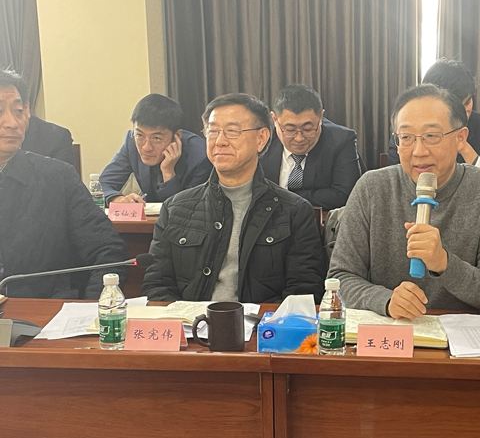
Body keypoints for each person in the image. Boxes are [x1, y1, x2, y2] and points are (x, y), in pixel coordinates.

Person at [328, 83, 480, 318]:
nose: (419, 151)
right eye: (406, 137)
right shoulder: (371, 187)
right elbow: (340, 278)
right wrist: (385, 301)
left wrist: (443, 262)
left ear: (460, 138)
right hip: (393, 329)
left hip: (465, 333)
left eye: (431, 136)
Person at [142, 93, 325, 303]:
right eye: (212, 131)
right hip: (190, 322)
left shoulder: (294, 211)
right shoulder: (174, 208)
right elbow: (157, 286)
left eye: (232, 131)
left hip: (262, 323)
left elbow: (303, 291)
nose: (220, 141)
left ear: (261, 138)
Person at [0, 69, 126, 299]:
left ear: (27, 112)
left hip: (42, 312)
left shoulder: (58, 177)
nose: (12, 123)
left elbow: (109, 252)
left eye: (18, 111)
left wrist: (89, 309)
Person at [387, 58, 480, 177]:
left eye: (467, 102)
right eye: (455, 108)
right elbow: (396, 179)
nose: (464, 112)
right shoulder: (405, 130)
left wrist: (461, 142)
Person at [260, 83, 362, 210]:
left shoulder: (340, 140)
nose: (299, 138)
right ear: (274, 119)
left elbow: (345, 195)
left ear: (320, 117)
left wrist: (282, 198)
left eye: (308, 129)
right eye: (290, 129)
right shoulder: (262, 139)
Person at [100, 94, 212, 204]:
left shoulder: (200, 157)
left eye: (156, 138)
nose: (146, 147)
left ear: (177, 136)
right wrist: (118, 199)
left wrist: (168, 172)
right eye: (140, 135)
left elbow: (188, 208)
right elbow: (102, 185)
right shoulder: (131, 142)